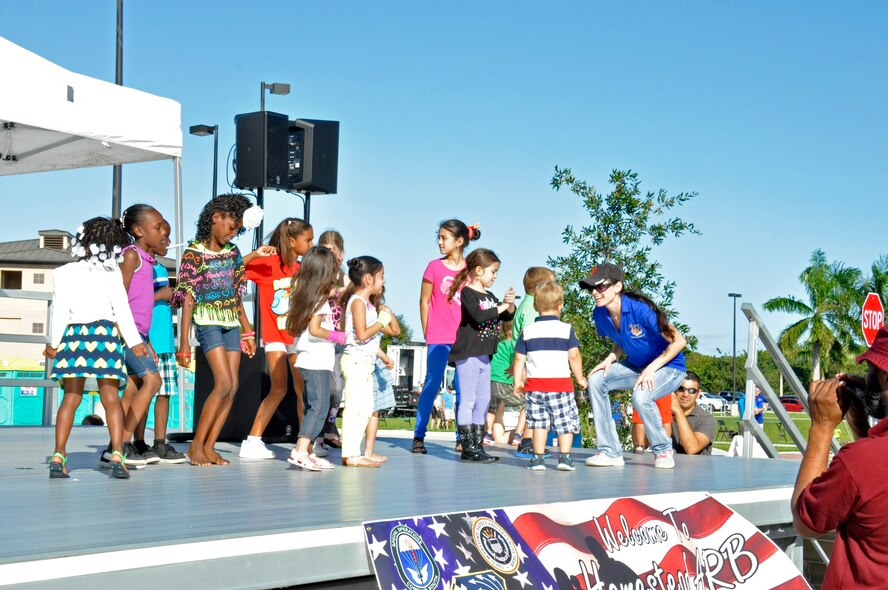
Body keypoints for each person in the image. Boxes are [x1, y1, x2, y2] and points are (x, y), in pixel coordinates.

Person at [45, 216, 145, 479]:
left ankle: (58, 454)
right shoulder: (111, 273)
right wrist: (135, 343)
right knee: (111, 399)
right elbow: (122, 311)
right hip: (104, 336)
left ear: (82, 240)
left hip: (74, 336)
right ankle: (116, 455)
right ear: (112, 244)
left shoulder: (63, 272)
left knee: (71, 398)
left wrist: (53, 344)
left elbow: (60, 311)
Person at [792, 325, 888, 588]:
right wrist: (860, 425)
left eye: (869, 371)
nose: (865, 378)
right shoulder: (868, 457)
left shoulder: (860, 460)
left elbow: (807, 523)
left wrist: (821, 427)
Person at [173, 194, 258, 466]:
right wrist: (184, 342)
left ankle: (210, 447)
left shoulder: (233, 253)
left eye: (238, 230)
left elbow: (236, 295)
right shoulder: (193, 252)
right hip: (207, 321)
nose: (234, 233)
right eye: (232, 226)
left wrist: (247, 331)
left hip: (231, 323)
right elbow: (186, 296)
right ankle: (195, 447)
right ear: (216, 217)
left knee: (231, 388)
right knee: (222, 383)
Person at [581, 263, 687, 470]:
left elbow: (679, 341)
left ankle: (663, 450)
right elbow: (622, 339)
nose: (595, 292)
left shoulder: (640, 309)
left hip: (670, 367)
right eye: (591, 288)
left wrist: (652, 368)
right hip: (639, 367)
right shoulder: (600, 314)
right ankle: (610, 451)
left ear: (617, 287)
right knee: (596, 380)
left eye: (600, 287)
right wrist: (610, 358)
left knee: (641, 396)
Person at [239, 217, 313, 460]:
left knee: (302, 389)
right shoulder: (267, 262)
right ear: (292, 241)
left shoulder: (303, 268)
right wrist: (254, 253)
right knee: (279, 388)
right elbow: (232, 269)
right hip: (275, 336)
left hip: (298, 336)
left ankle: (306, 443)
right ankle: (252, 441)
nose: (311, 244)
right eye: (308, 240)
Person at [413, 219, 480, 454]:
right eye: (439, 237)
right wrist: (427, 331)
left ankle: (462, 437)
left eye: (445, 238)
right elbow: (423, 301)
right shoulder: (433, 267)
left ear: (460, 241)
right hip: (438, 336)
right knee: (431, 384)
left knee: (464, 389)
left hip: (463, 338)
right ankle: (419, 435)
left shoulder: (471, 271)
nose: (440, 242)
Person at [447, 248, 515, 462]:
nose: (494, 276)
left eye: (496, 273)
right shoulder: (468, 292)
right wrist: (501, 306)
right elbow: (478, 316)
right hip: (468, 353)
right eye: (492, 272)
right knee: (468, 399)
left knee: (483, 400)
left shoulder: (491, 296)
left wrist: (509, 304)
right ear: (478, 270)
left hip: (485, 355)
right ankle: (467, 446)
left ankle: (477, 444)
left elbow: (505, 315)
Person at [513, 280, 587, 471]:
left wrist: (518, 381)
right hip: (561, 387)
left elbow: (519, 359)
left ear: (536, 306)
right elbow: (574, 355)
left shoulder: (527, 332)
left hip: (535, 387)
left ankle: (538, 459)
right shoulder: (566, 330)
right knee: (565, 423)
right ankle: (565, 458)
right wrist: (579, 378)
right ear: (560, 305)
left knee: (539, 424)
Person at [114, 204, 167, 467]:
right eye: (156, 227)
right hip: (127, 335)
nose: (161, 232)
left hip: (140, 336)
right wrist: (131, 338)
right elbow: (119, 297)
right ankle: (122, 443)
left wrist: (146, 342)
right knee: (153, 381)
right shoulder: (131, 256)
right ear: (138, 230)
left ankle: (118, 444)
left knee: (133, 388)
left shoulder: (147, 261)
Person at [284, 246, 343, 471]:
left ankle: (308, 451)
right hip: (316, 360)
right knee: (319, 405)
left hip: (312, 359)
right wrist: (337, 335)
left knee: (315, 404)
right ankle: (300, 449)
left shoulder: (309, 295)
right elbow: (316, 329)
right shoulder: (319, 300)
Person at [133, 221, 186, 464]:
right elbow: (135, 299)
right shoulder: (140, 265)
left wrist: (171, 299)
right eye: (163, 236)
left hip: (164, 338)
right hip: (146, 338)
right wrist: (160, 295)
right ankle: (138, 442)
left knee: (165, 392)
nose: (167, 241)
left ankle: (160, 443)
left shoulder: (161, 268)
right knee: (144, 391)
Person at [339, 256, 400, 467]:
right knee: (354, 408)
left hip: (366, 363)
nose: (384, 281)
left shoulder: (369, 306)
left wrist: (388, 314)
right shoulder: (357, 302)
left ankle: (355, 452)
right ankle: (350, 454)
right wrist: (380, 322)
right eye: (381, 276)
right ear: (368, 279)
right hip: (355, 360)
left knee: (365, 409)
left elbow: (395, 331)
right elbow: (362, 334)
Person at [512, 267, 557, 457]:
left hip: (528, 363)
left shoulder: (525, 305)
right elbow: (529, 336)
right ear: (541, 288)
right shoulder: (532, 309)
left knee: (535, 406)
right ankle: (528, 441)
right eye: (552, 283)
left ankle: (529, 441)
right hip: (534, 365)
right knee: (540, 406)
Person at [317, 230, 347, 452]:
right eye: (325, 251)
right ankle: (317, 431)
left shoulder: (344, 277)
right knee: (320, 387)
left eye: (333, 252)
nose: (330, 256)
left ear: (341, 254)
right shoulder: (317, 273)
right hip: (320, 336)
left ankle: (330, 424)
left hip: (339, 337)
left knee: (337, 388)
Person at [486, 321, 523, 444]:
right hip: (503, 382)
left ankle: (487, 433)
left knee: (493, 408)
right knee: (528, 403)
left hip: (490, 381)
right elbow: (516, 364)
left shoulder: (498, 345)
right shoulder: (513, 346)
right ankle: (518, 434)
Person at [670, 371, 716, 455]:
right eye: (681, 389)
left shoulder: (706, 418)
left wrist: (678, 412)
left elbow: (692, 449)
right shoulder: (664, 415)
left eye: (692, 391)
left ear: (698, 394)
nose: (686, 395)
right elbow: (642, 444)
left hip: (696, 467)